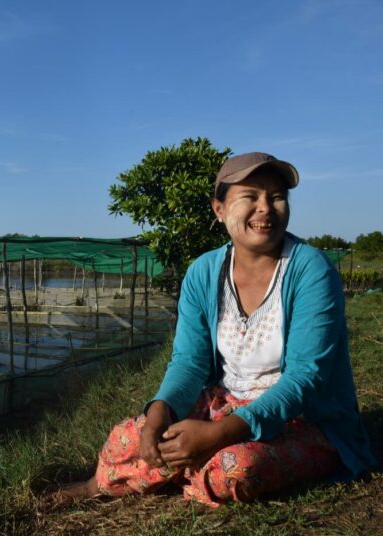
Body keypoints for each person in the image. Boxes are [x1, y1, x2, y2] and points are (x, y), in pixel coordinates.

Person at [57, 152, 376, 507]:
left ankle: (186, 471)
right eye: (249, 197)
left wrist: (221, 433)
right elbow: (189, 363)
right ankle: (96, 484)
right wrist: (160, 411)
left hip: (301, 419)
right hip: (224, 403)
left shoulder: (311, 270)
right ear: (219, 209)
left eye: (277, 197)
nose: (265, 208)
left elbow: (305, 378)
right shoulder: (203, 272)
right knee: (128, 438)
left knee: (235, 467)